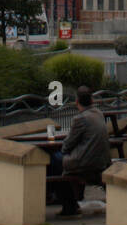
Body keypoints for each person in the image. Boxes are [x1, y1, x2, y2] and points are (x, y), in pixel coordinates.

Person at [47, 85, 112, 217]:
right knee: (57, 162)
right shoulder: (99, 114)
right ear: (92, 101)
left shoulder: (80, 119)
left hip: (85, 163)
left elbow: (66, 146)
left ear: (77, 102)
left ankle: (68, 205)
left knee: (53, 160)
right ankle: (67, 202)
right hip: (102, 162)